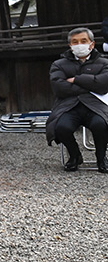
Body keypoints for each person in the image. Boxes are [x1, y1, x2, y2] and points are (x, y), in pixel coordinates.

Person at [45, 27, 108, 172]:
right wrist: (92, 84)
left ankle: (101, 158)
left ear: (92, 44)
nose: (79, 44)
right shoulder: (58, 64)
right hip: (68, 106)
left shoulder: (104, 62)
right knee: (61, 127)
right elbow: (59, 88)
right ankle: (75, 156)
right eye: (75, 42)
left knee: (101, 125)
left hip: (95, 105)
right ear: (70, 45)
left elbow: (105, 84)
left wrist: (76, 79)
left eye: (83, 41)